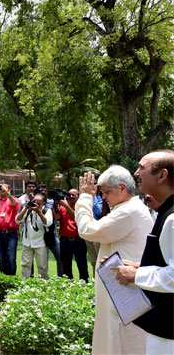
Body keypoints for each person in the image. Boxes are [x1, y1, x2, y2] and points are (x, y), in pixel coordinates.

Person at [75, 166, 153, 355]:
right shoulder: (126, 209)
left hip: (125, 293)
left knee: (123, 343)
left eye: (106, 192)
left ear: (122, 188)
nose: (103, 197)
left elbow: (87, 230)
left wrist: (85, 198)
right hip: (120, 290)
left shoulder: (128, 211)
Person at [110, 151, 174, 354]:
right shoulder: (167, 212)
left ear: (162, 175)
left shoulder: (172, 218)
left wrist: (136, 275)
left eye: (142, 168)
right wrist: (138, 267)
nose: (136, 173)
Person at [54, 189, 88, 281]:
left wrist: (66, 205)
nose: (71, 196)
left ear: (78, 197)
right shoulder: (62, 208)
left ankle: (84, 283)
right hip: (65, 239)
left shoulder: (81, 207)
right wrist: (56, 205)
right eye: (70, 195)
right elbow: (56, 217)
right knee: (66, 265)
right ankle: (68, 283)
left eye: (74, 195)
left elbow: (75, 217)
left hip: (78, 239)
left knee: (82, 264)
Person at [16, 192, 52, 279]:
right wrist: (25, 208)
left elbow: (47, 223)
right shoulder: (28, 209)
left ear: (43, 203)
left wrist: (39, 212)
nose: (36, 204)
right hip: (27, 242)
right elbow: (17, 220)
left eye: (39, 202)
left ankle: (44, 283)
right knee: (25, 265)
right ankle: (25, 283)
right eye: (34, 201)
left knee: (42, 266)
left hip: (41, 243)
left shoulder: (46, 210)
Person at [38, 184, 63, 277]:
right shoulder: (36, 202)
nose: (43, 192)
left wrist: (56, 205)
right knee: (43, 260)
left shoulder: (51, 202)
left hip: (51, 234)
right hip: (40, 234)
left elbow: (56, 217)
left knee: (60, 256)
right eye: (41, 190)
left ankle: (61, 277)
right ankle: (44, 278)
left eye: (45, 190)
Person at [85, 185, 106, 273]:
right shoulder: (86, 197)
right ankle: (94, 279)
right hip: (88, 230)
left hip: (97, 231)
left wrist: (93, 197)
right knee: (93, 260)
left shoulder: (100, 197)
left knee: (99, 259)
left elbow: (99, 211)